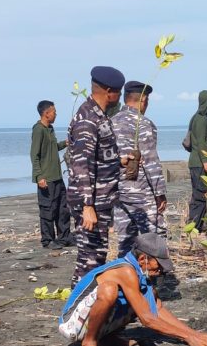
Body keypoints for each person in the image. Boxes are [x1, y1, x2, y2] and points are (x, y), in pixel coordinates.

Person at [59, 233, 207, 346]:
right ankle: (90, 341)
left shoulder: (140, 274)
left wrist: (193, 335)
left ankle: (106, 340)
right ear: (143, 259)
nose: (160, 271)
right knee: (109, 290)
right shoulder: (126, 270)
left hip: (91, 323)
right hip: (72, 323)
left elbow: (157, 310)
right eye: (158, 265)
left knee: (150, 296)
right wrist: (188, 337)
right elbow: (147, 319)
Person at [68, 66, 126, 287]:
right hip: (91, 201)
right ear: (109, 91)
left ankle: (84, 309)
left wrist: (119, 160)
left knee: (95, 257)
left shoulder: (99, 116)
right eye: (118, 93)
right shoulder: (88, 119)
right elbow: (81, 163)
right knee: (90, 260)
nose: (118, 97)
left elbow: (98, 155)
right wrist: (87, 206)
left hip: (101, 199)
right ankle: (79, 313)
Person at [112, 81, 168, 257]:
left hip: (118, 190)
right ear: (143, 100)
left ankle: (125, 276)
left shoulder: (110, 122)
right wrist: (160, 193)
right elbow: (151, 161)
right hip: (141, 189)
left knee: (125, 237)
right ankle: (153, 278)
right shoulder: (142, 124)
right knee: (154, 235)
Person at [31, 100, 72, 251]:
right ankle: (48, 240)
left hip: (57, 177)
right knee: (48, 210)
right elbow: (34, 155)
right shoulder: (38, 130)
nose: (56, 114)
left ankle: (65, 237)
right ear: (46, 113)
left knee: (63, 208)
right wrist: (39, 176)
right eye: (54, 111)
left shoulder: (50, 129)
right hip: (46, 178)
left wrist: (65, 143)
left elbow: (52, 148)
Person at [186, 90, 207, 231]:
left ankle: (201, 224)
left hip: (196, 162)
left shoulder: (197, 117)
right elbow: (200, 142)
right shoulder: (201, 119)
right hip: (199, 163)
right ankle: (194, 226)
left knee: (203, 195)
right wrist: (206, 162)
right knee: (200, 196)